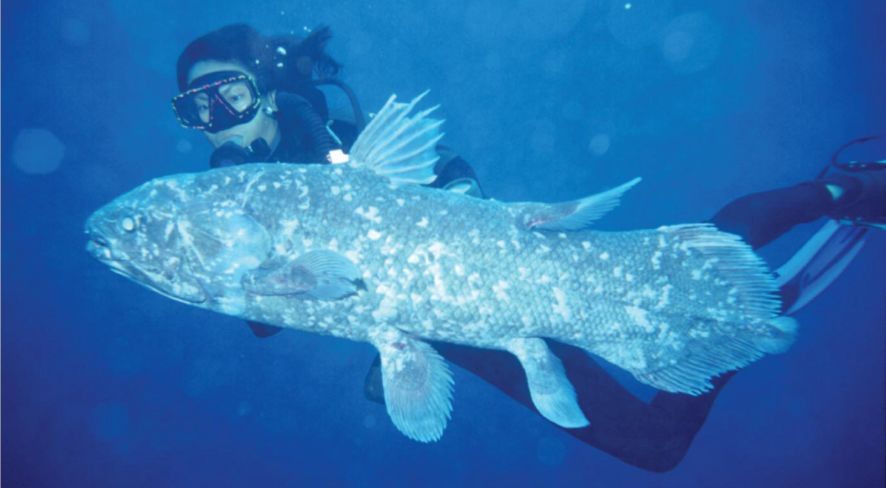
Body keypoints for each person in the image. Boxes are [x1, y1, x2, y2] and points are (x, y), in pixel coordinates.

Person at [172, 23, 886, 472]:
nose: (216, 119)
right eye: (195, 109)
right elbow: (270, 316)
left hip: (506, 281)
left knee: (681, 268)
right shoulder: (220, 202)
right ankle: (741, 314)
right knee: (656, 447)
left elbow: (443, 167)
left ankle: (836, 194)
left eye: (226, 95)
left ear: (266, 90)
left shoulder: (333, 141)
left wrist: (465, 214)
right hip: (450, 332)